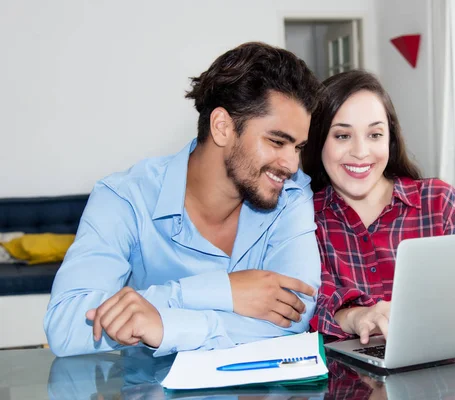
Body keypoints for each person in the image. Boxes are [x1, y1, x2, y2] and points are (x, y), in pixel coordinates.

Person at [44, 42, 323, 357]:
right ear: (222, 127)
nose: (291, 164)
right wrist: (223, 292)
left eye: (297, 147)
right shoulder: (125, 198)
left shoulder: (292, 195)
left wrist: (164, 324)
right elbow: (66, 327)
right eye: (277, 141)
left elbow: (294, 318)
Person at [301, 70, 455, 344]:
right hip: (347, 380)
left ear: (389, 140)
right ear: (318, 141)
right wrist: (354, 316)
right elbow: (306, 306)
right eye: (342, 136)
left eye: (375, 134)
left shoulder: (440, 203)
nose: (360, 151)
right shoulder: (304, 216)